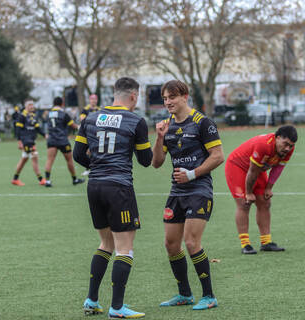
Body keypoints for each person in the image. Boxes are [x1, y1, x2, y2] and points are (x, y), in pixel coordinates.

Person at [73, 77, 153, 319]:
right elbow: (146, 160)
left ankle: (91, 300)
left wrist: (97, 165)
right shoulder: (136, 121)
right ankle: (117, 308)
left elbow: (78, 154)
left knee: (105, 244)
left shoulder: (91, 117)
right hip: (118, 187)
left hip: (94, 185)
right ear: (133, 96)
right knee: (124, 249)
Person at [152, 80, 224, 311]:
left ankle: (209, 295)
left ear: (185, 96)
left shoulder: (203, 123)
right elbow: (156, 163)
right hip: (177, 191)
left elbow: (218, 156)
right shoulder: (167, 125)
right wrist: (159, 138)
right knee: (171, 245)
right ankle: (184, 294)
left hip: (199, 190)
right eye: (164, 98)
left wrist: (192, 174)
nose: (168, 102)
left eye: (172, 97)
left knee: (191, 242)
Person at [225, 125, 298, 254]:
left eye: (291, 145)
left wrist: (269, 188)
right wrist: (248, 193)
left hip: (256, 169)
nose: (287, 148)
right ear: (277, 137)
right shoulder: (264, 145)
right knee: (244, 203)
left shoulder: (288, 150)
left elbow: (278, 168)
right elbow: (252, 171)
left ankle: (266, 242)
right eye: (285, 144)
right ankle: (245, 244)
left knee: (265, 202)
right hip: (238, 166)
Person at [44, 96, 84, 187]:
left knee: (49, 160)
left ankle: (47, 181)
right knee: (69, 160)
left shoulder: (48, 114)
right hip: (62, 140)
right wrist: (82, 127)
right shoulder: (63, 114)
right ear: (62, 104)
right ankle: (74, 179)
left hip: (51, 140)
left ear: (54, 104)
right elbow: (73, 126)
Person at [11, 100, 46, 186]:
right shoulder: (22, 116)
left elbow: (37, 128)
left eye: (32, 105)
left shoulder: (33, 116)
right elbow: (18, 130)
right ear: (26, 106)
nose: (32, 106)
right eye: (30, 105)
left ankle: (15, 179)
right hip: (26, 141)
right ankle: (41, 179)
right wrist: (19, 142)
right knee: (34, 157)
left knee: (24, 160)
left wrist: (45, 135)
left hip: (32, 140)